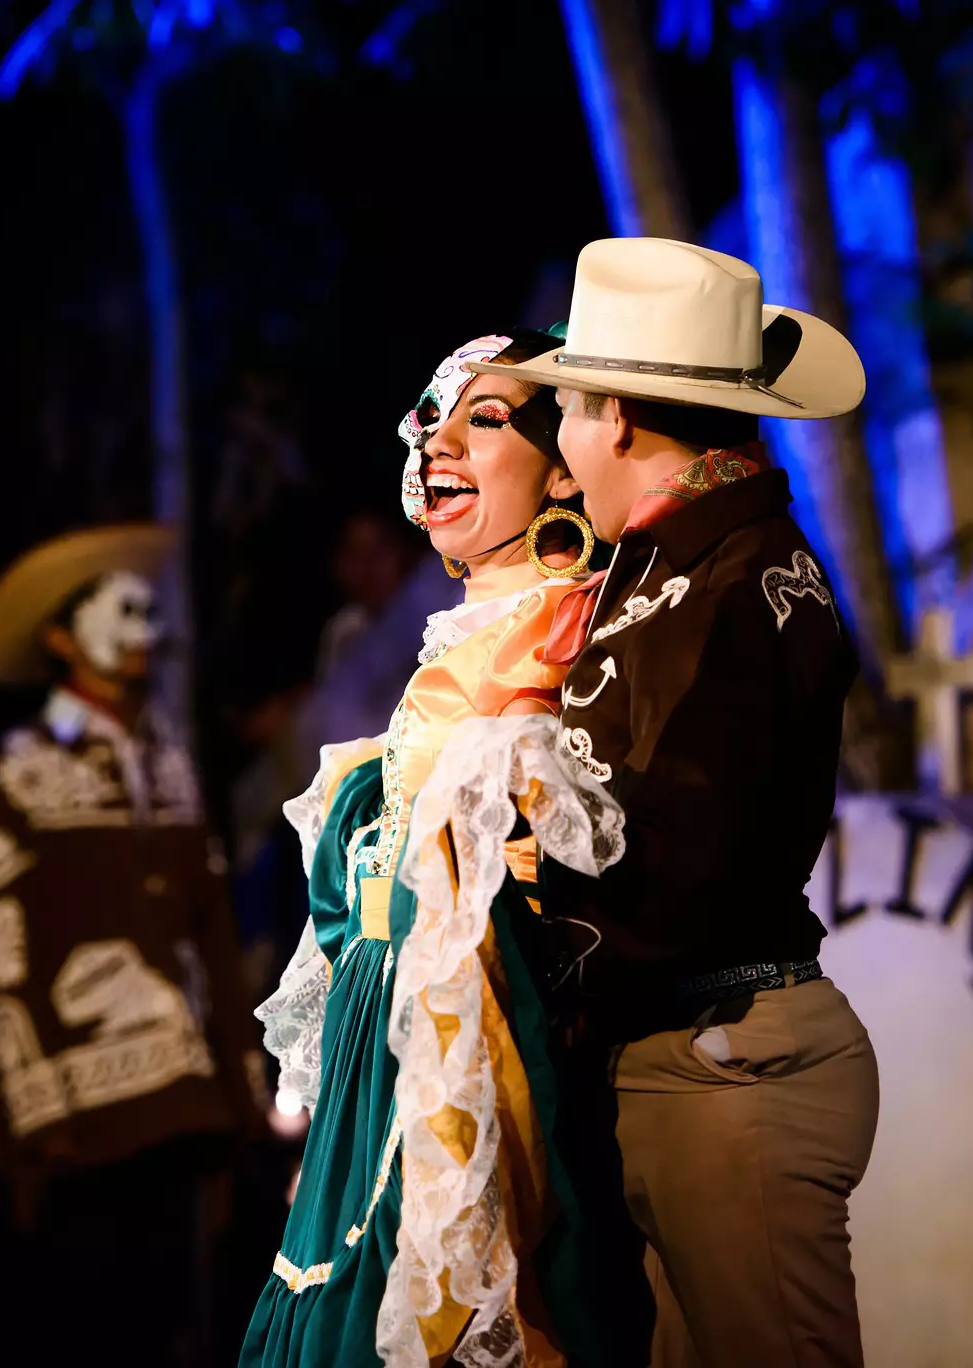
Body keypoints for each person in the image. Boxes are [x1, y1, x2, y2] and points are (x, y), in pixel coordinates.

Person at [471, 237, 881, 1367]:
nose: (556, 446)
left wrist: (513, 923)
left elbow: (680, 860)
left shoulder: (736, 588)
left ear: (617, 421)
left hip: (724, 1062)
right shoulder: (674, 564)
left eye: (566, 411)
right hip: (680, 1059)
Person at [242, 332, 626, 1368]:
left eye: (486, 418)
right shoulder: (465, 641)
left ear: (562, 469)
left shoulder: (563, 639)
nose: (437, 441)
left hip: (484, 1049)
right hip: (388, 1046)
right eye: (428, 417)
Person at [0, 523, 266, 1367]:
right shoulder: (12, 770)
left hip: (184, 1111)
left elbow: (210, 932)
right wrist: (31, 1110)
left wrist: (241, 1094)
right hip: (79, 1119)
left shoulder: (170, 761)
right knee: (85, 1325)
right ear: (61, 637)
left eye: (147, 609)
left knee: (174, 1326)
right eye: (117, 610)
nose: (141, 626)